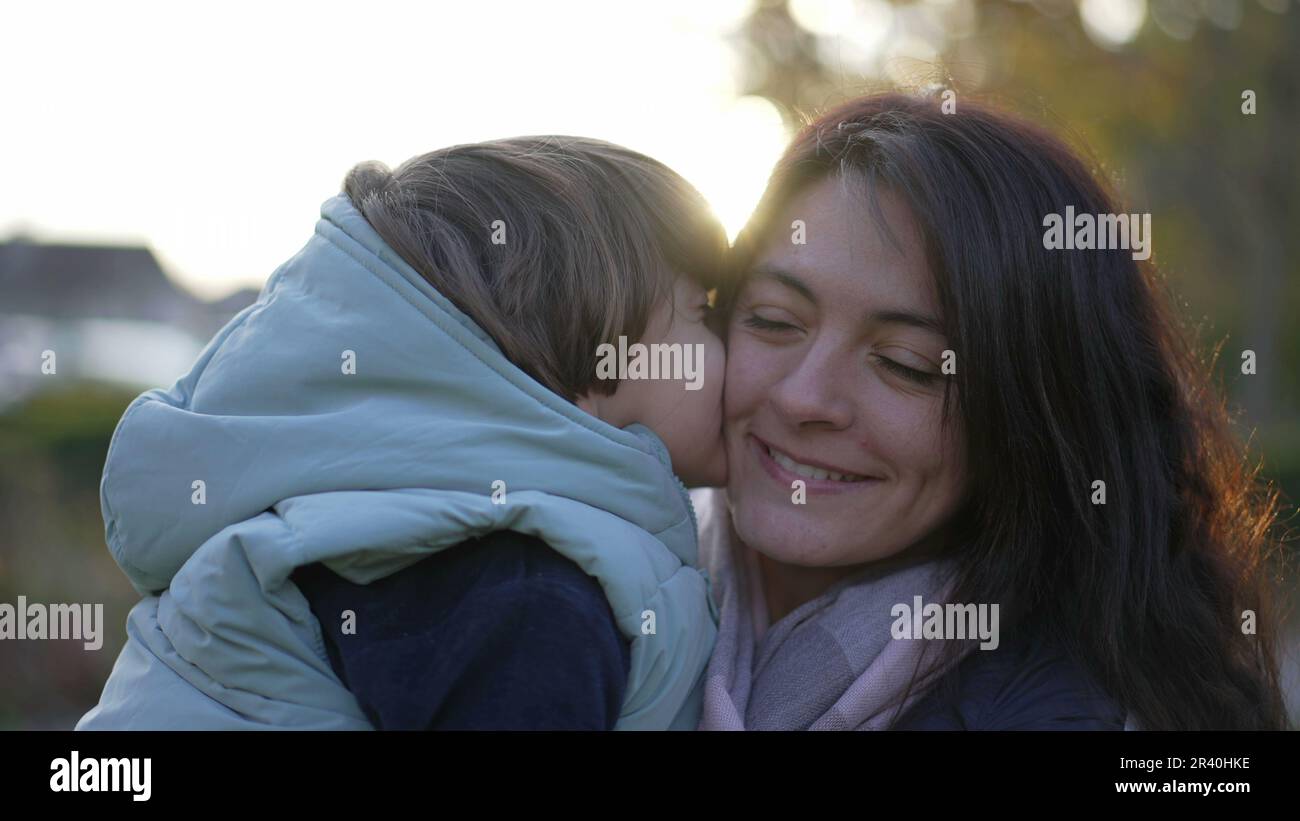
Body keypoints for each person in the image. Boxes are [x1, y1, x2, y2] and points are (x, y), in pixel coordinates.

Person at [77, 136, 728, 730]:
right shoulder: (521, 595)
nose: (733, 346)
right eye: (703, 312)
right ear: (589, 335)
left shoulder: (397, 525)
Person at [697, 92, 1291, 731]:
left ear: (1029, 422)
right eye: (774, 320)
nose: (802, 397)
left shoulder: (1064, 713)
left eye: (907, 364)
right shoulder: (619, 566)